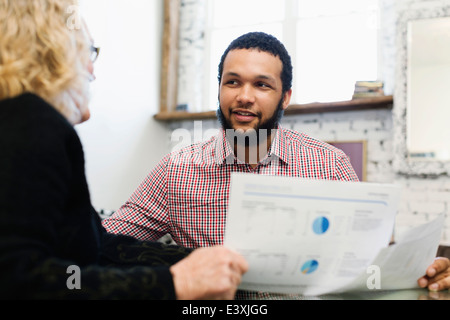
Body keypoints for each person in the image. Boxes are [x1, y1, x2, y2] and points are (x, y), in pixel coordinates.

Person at [103, 31, 450, 297]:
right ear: (220, 89)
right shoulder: (176, 170)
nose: (244, 96)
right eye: (233, 82)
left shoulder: (330, 165)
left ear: (285, 96)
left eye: (262, 85)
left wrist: (425, 270)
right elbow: (103, 242)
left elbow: (373, 263)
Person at [0, 0, 248, 300]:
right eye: (88, 51)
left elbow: (97, 248)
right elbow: (18, 279)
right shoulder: (32, 124)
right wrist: (173, 283)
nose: (92, 70)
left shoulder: (19, 122)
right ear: (53, 52)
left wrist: (196, 263)